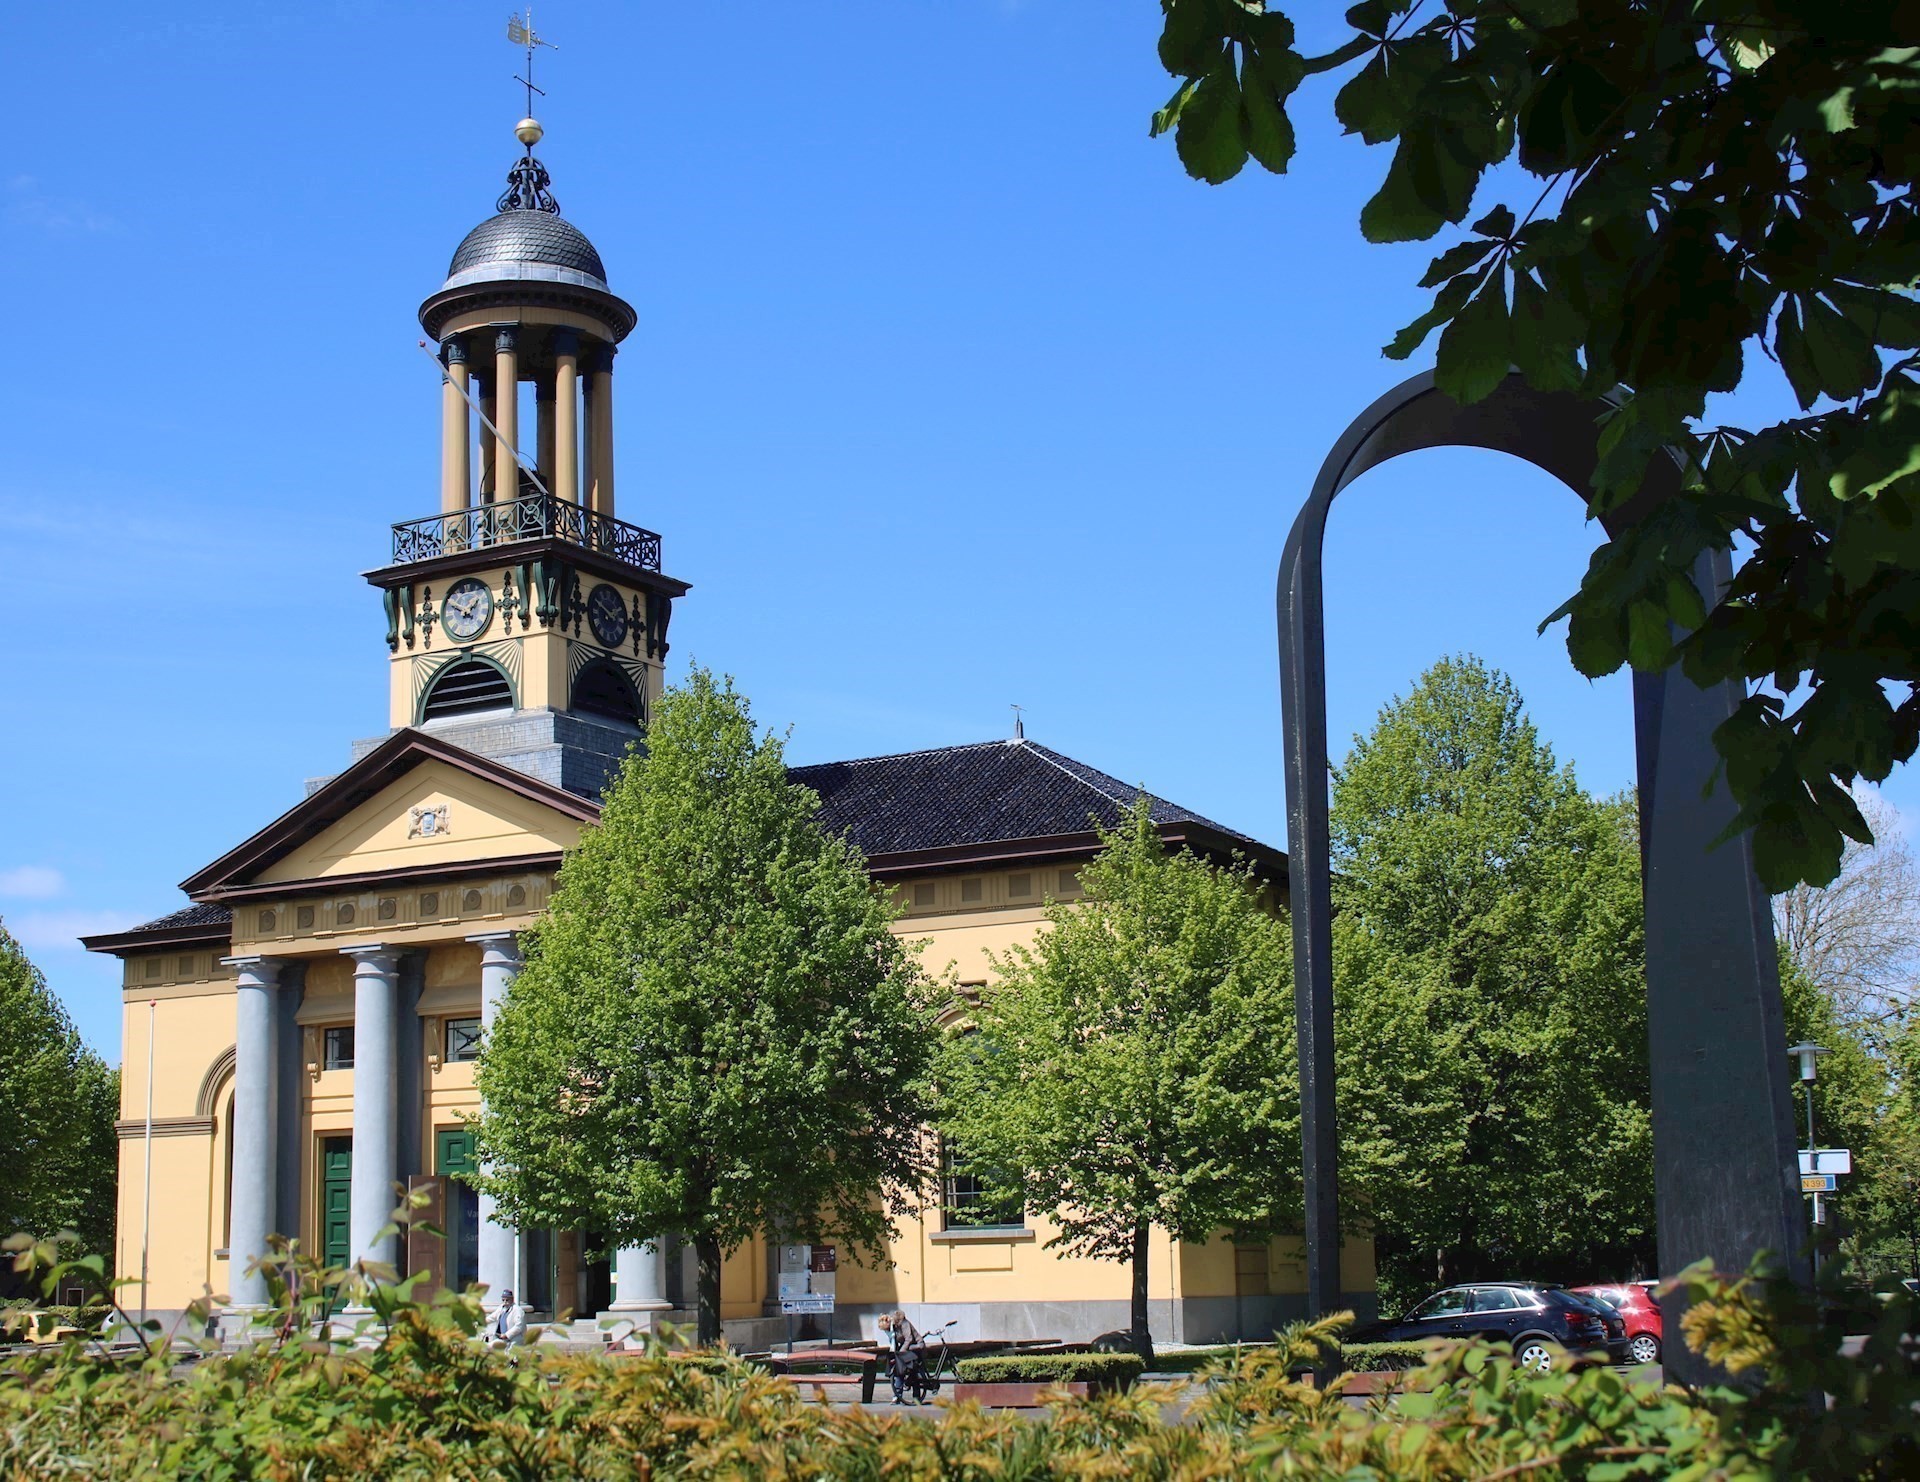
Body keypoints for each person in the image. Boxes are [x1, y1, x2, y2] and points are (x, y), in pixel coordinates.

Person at [880, 1309, 922, 1403]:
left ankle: (916, 1397)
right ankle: (897, 1395)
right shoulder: (893, 1328)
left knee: (913, 1369)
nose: (887, 1331)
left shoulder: (904, 1323)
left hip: (916, 1347)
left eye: (887, 1329)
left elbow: (909, 1339)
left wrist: (901, 1351)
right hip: (906, 1348)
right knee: (899, 1369)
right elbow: (894, 1341)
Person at [490, 1288, 527, 1352]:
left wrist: (507, 1335)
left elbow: (519, 1326)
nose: (505, 1302)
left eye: (507, 1300)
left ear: (512, 1299)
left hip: (514, 1339)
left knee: (510, 1355)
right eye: (503, 1300)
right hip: (502, 1338)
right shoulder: (501, 1308)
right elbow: (492, 1317)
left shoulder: (517, 1310)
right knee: (490, 1347)